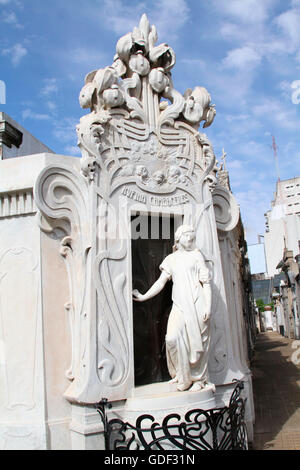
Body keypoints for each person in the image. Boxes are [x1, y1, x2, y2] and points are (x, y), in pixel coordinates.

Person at [133, 225, 212, 392]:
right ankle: (180, 374)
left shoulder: (196, 256)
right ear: (179, 238)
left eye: (193, 236)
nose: (191, 238)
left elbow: (205, 283)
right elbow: (160, 283)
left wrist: (208, 306)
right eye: (188, 236)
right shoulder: (171, 259)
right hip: (180, 304)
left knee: (196, 343)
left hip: (196, 302)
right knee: (171, 339)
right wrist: (143, 296)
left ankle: (198, 379)